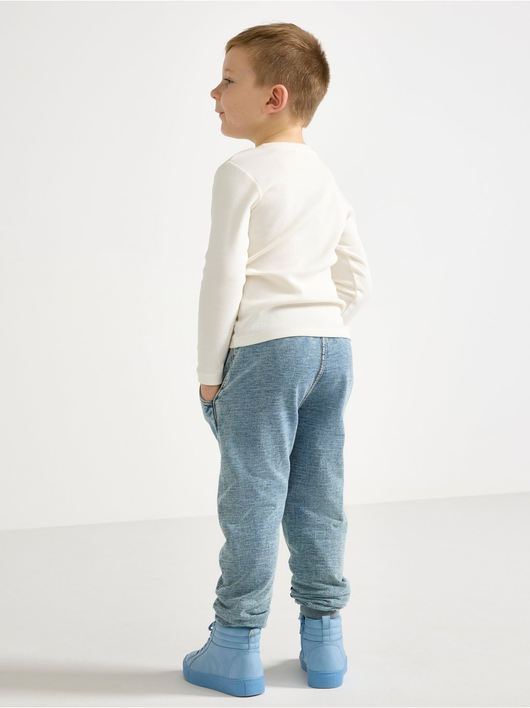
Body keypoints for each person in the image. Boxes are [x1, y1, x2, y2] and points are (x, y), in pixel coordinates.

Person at [183, 22, 372, 697]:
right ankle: (325, 643)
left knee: (254, 498)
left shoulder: (241, 171)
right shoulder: (324, 176)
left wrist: (210, 374)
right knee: (319, 493)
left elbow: (223, 278)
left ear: (275, 97)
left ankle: (234, 646)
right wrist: (316, 322)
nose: (214, 92)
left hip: (265, 354)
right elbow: (357, 279)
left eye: (228, 79)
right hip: (333, 351)